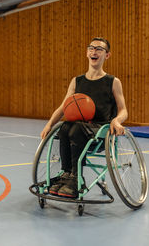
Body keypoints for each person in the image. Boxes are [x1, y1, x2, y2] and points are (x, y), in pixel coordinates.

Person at [40, 37, 128, 198]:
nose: (94, 51)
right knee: (66, 127)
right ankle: (66, 174)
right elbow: (63, 107)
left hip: (101, 131)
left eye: (99, 49)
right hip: (78, 128)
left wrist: (117, 120)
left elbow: (123, 111)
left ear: (107, 55)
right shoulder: (77, 81)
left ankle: (75, 178)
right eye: (91, 48)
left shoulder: (113, 82)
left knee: (75, 129)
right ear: (87, 53)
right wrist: (49, 124)